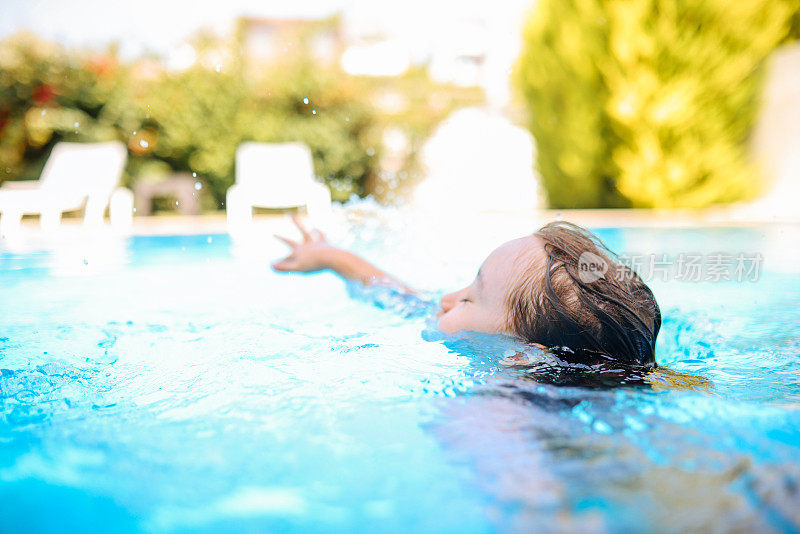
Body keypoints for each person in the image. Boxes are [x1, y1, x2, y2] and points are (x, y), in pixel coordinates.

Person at [273, 216, 661, 370]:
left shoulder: (508, 398)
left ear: (523, 354)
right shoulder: (507, 346)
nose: (446, 297)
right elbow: (397, 295)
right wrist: (330, 256)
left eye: (469, 297)